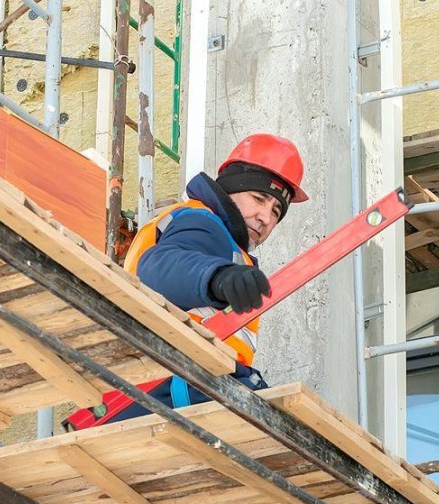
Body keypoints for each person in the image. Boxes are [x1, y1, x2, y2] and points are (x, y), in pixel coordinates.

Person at [112, 133, 309, 420]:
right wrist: (217, 277)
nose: (265, 217)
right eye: (259, 198)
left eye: (276, 211)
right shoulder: (202, 222)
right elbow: (158, 268)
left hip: (165, 392)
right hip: (168, 389)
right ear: (230, 188)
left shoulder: (225, 244)